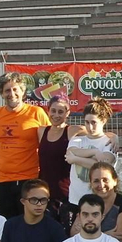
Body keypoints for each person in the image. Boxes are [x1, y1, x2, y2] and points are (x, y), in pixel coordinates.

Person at [0, 74, 51, 218]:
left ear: (23, 91)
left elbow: (53, 136)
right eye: (7, 90)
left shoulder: (36, 113)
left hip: (29, 178)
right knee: (7, 224)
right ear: (1, 93)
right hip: (3, 180)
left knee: (30, 223)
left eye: (15, 89)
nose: (12, 94)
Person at [65, 98, 118, 221]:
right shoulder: (77, 139)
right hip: (75, 199)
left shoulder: (109, 142)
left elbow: (103, 164)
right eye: (87, 122)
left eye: (94, 122)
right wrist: (94, 152)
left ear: (103, 121)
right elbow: (69, 154)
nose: (90, 126)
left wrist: (75, 159)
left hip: (99, 200)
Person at [35, 94, 78, 224]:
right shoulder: (42, 131)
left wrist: (113, 137)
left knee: (65, 228)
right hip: (45, 189)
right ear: (48, 111)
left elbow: (96, 132)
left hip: (65, 191)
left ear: (67, 113)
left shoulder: (71, 130)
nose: (56, 115)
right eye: (53, 111)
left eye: (61, 112)